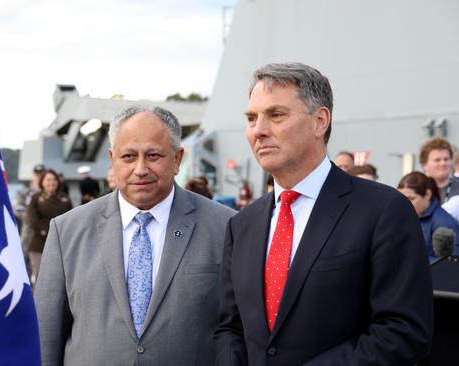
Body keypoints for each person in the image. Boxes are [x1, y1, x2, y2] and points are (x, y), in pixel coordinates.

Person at [215, 63, 433, 365]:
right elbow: (231, 328)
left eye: (276, 115)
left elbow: (403, 333)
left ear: (320, 121)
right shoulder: (241, 225)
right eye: (252, 118)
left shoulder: (384, 210)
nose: (259, 130)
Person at [35, 105, 236, 365]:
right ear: (112, 159)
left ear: (177, 159)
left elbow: (237, 331)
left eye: (153, 155)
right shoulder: (67, 231)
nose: (140, 169)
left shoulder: (225, 227)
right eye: (128, 156)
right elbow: (45, 336)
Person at [397, 171, 459, 261]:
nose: (405, 204)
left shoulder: (445, 224)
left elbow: (450, 264)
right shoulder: (411, 216)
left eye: (411, 199)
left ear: (427, 194)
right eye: (402, 199)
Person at [26, 169, 73, 282]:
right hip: (40, 244)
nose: (51, 182)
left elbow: (71, 219)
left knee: (61, 279)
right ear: (42, 182)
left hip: (62, 244)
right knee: (41, 278)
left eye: (54, 179)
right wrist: (52, 231)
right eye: (48, 180)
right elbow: (33, 221)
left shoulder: (65, 198)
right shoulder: (35, 199)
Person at [419, 137, 459, 202]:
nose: (443, 163)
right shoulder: (416, 191)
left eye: (446, 159)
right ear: (424, 164)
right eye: (437, 160)